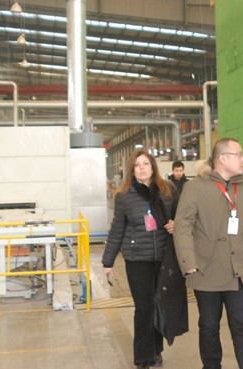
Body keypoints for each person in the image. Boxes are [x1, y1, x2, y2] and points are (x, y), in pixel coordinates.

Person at [174, 138, 243, 369]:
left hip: (239, 271)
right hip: (207, 270)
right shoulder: (194, 188)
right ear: (222, 158)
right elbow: (183, 227)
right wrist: (189, 262)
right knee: (209, 327)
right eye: (239, 154)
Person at [102, 150, 185, 369]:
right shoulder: (124, 196)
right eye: (137, 165)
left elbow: (183, 216)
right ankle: (143, 357)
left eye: (145, 164)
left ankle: (156, 351)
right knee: (144, 308)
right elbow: (117, 230)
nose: (141, 168)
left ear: (153, 167)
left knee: (160, 305)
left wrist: (176, 224)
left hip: (164, 259)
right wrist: (108, 262)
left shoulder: (168, 190)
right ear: (132, 170)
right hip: (137, 259)